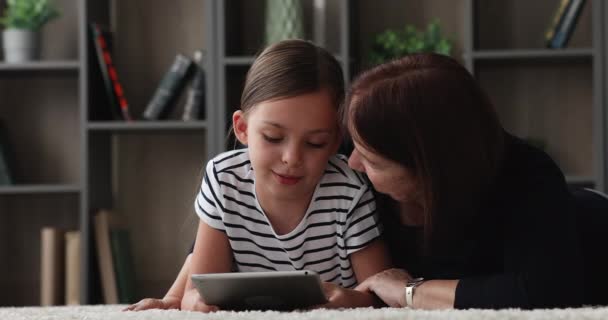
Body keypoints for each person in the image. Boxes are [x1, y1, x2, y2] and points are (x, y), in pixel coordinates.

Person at [125, 39, 390, 312]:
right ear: (242, 128)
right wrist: (191, 302)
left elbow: (379, 294)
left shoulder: (349, 190)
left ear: (335, 141)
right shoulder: (223, 179)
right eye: (273, 137)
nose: (291, 158)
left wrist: (352, 301)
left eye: (315, 143)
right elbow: (197, 290)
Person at [323, 52, 584, 309]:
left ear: (428, 170)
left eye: (373, 162)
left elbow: (542, 293)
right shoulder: (352, 152)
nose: (352, 163)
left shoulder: (528, 175)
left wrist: (410, 291)